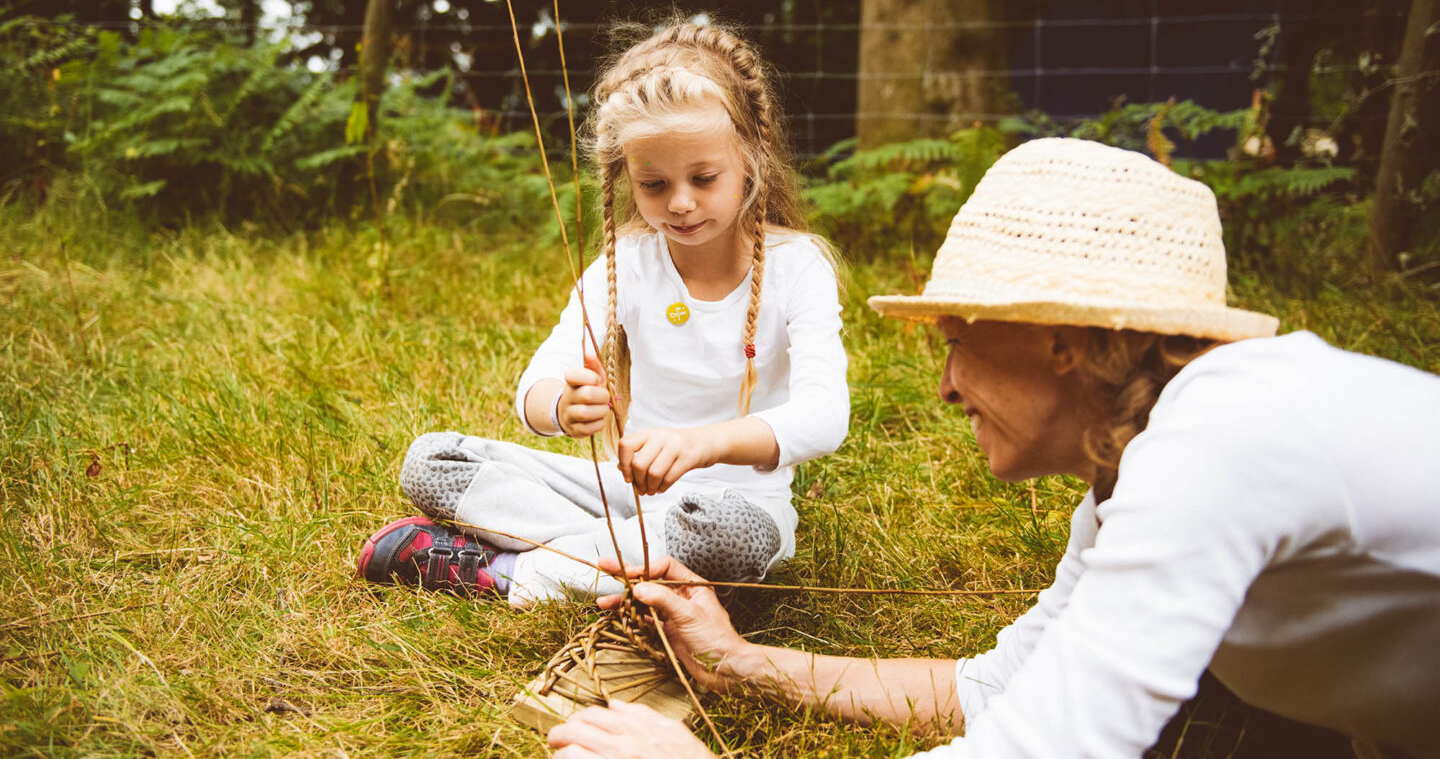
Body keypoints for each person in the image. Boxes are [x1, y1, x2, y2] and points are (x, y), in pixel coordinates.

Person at [547, 138, 1440, 757]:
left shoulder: (1226, 441)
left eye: (959, 339)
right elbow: (1000, 688)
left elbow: (1053, 745)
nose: (943, 386)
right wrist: (738, 662)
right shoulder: (1142, 472)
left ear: (1064, 340)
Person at [355, 20, 849, 607]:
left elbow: (825, 416)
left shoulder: (798, 267)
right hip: (620, 491)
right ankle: (597, 559)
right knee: (433, 460)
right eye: (654, 184)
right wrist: (561, 406)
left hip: (730, 507)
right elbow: (536, 385)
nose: (681, 202)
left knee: (724, 545)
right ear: (627, 179)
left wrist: (701, 446)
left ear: (751, 158)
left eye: (704, 178)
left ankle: (509, 573)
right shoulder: (629, 264)